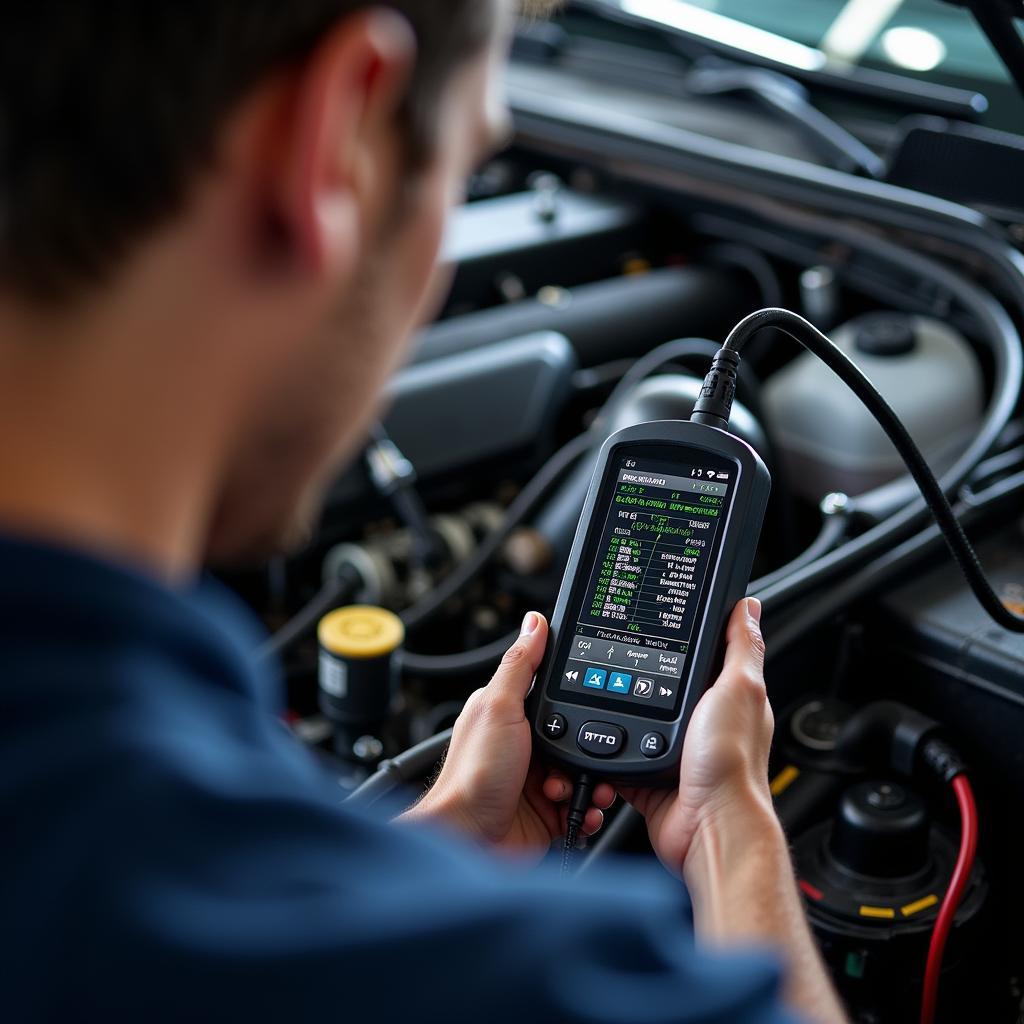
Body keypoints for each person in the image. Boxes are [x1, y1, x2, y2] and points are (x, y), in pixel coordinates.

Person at [0, 2, 847, 1021]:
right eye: (466, 163)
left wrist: (439, 829)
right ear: (339, 138)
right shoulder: (529, 983)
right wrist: (729, 830)